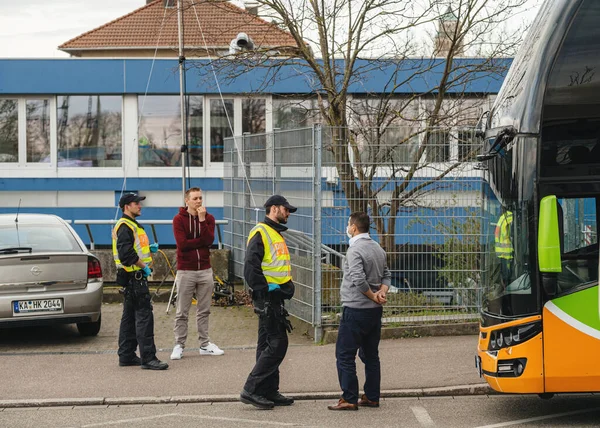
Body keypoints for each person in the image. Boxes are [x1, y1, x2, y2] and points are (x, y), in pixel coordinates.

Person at [328, 211, 390, 411]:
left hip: (355, 310)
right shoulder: (378, 249)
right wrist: (382, 292)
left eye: (348, 224)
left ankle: (349, 398)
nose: (348, 228)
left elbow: (357, 278)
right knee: (371, 355)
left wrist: (373, 295)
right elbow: (387, 274)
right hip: (374, 312)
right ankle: (372, 397)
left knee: (345, 355)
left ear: (353, 227)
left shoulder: (354, 251)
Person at [240, 195, 296, 410]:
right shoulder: (261, 232)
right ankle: (251, 389)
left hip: (275, 297)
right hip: (268, 299)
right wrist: (264, 289)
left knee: (266, 345)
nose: (288, 213)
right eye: (286, 209)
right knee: (278, 343)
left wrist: (284, 287)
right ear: (274, 209)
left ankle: (268, 390)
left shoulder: (274, 233)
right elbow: (250, 268)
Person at [113, 193, 168, 370]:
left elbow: (134, 247)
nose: (140, 206)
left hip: (131, 280)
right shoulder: (125, 226)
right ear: (126, 206)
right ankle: (149, 358)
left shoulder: (131, 225)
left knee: (129, 318)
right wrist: (143, 265)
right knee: (144, 318)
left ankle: (127, 355)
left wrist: (148, 250)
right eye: (136, 203)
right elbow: (126, 254)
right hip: (135, 278)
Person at [170, 187, 224, 359]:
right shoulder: (179, 219)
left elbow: (209, 241)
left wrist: (201, 221)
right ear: (187, 200)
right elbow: (182, 244)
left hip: (205, 269)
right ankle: (179, 344)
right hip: (186, 270)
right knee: (182, 310)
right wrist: (200, 242)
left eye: (200, 198)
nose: (199, 201)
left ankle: (205, 343)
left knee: (204, 309)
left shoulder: (208, 218)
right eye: (195, 199)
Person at [495, 209, 513, 287]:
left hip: (502, 253)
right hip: (506, 253)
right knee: (507, 274)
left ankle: (505, 284)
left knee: (505, 273)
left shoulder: (502, 218)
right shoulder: (509, 217)